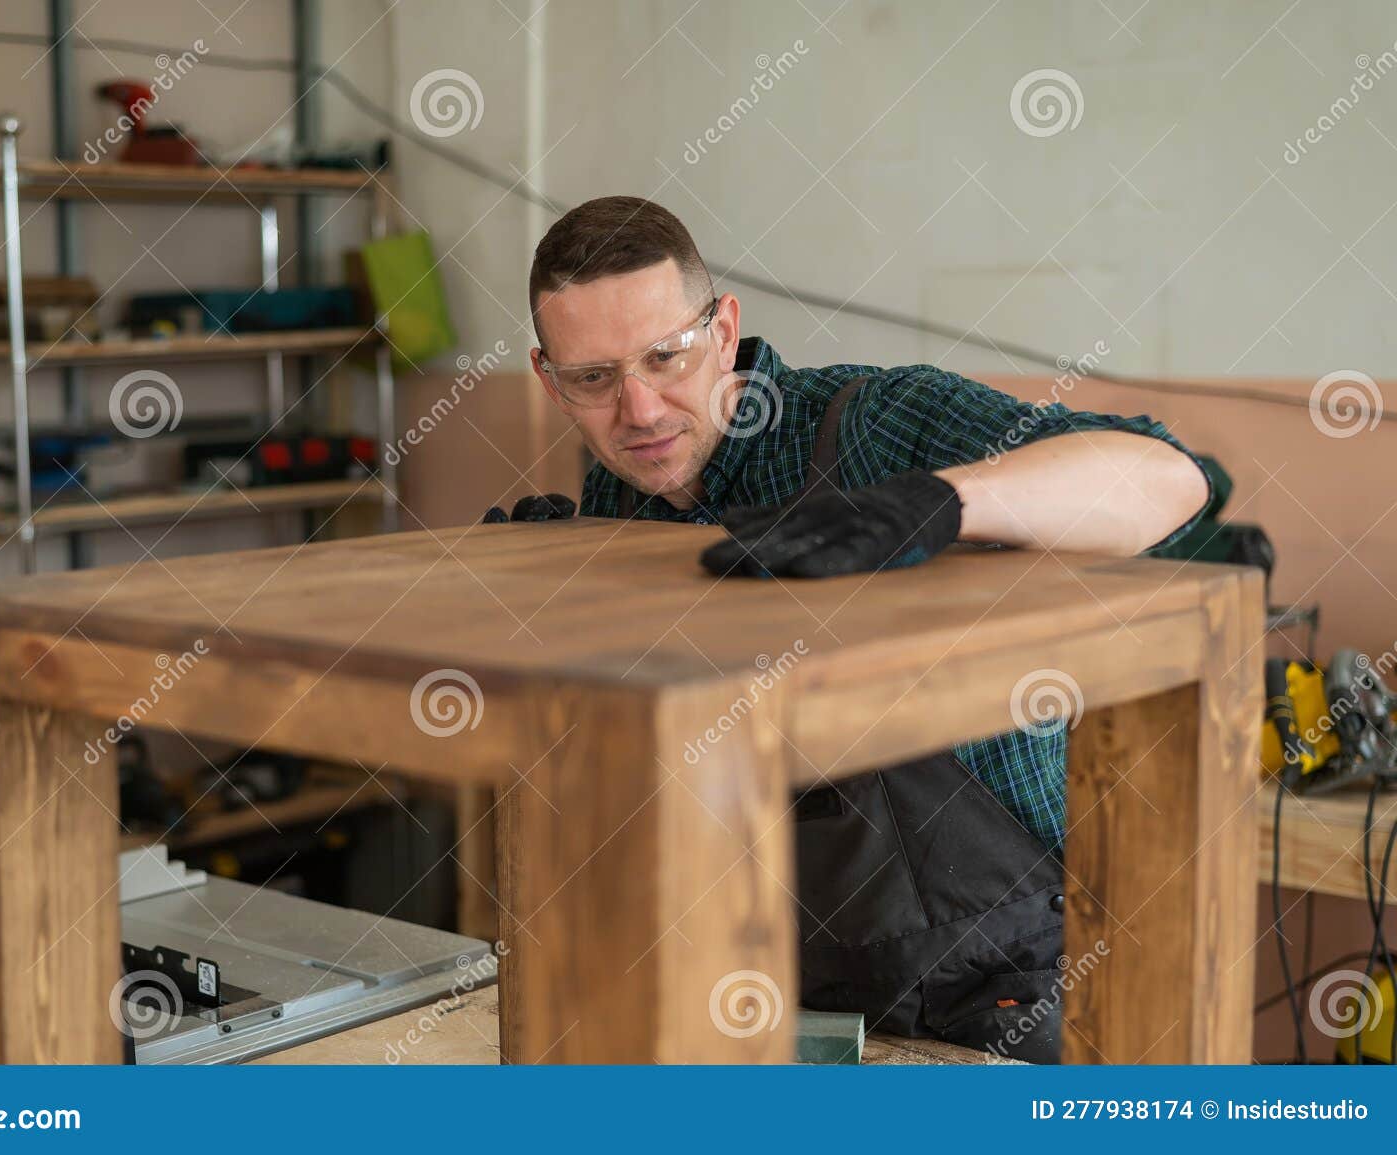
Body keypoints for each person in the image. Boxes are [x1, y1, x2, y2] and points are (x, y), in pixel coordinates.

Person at [492, 196, 1210, 1060]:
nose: (640, 409)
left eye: (666, 356)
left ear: (723, 329)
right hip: (771, 989)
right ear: (548, 379)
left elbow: (1169, 478)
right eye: (595, 379)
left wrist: (943, 502)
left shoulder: (869, 427)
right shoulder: (614, 506)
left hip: (993, 992)